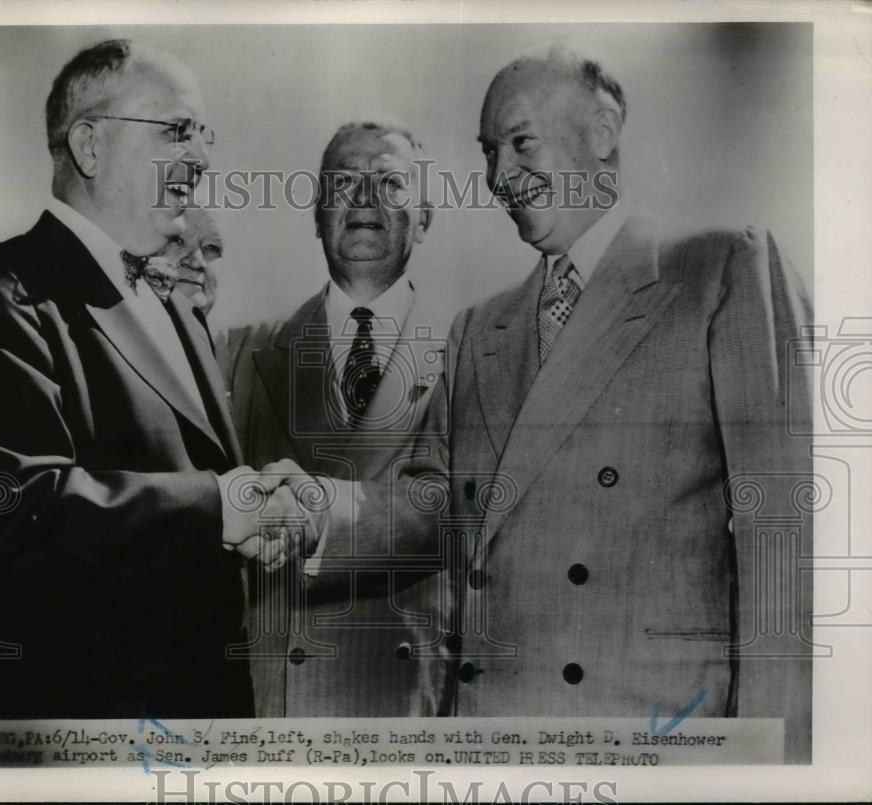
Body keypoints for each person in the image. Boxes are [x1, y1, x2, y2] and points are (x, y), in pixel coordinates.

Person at [315, 48, 814, 761]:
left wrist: (776, 763)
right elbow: (426, 512)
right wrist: (295, 513)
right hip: (492, 745)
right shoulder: (479, 329)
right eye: (490, 153)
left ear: (603, 129)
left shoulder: (721, 269)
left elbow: (786, 544)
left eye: (520, 143)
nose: (498, 176)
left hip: (656, 747)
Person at [0, 38, 301, 719]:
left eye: (203, 136)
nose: (202, 158)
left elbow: (190, 489)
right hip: (55, 731)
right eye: (176, 130)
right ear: (90, 146)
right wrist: (223, 505)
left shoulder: (177, 309)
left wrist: (253, 513)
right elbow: (13, 510)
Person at [219, 120, 455, 716]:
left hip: (405, 707)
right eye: (343, 182)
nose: (364, 199)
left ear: (426, 219)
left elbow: (462, 518)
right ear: (317, 215)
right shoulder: (241, 350)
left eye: (391, 184)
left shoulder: (472, 354)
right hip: (269, 704)